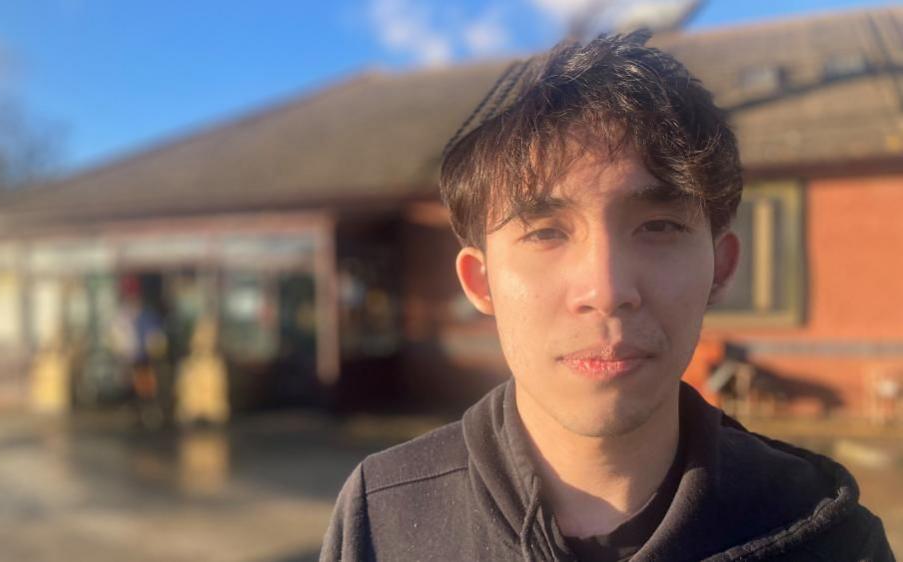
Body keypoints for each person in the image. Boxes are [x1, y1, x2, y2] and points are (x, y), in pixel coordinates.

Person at [321, 31, 894, 561]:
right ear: (481, 281)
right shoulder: (384, 517)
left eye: (660, 226)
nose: (608, 291)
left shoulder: (829, 537)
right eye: (545, 232)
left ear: (721, 269)